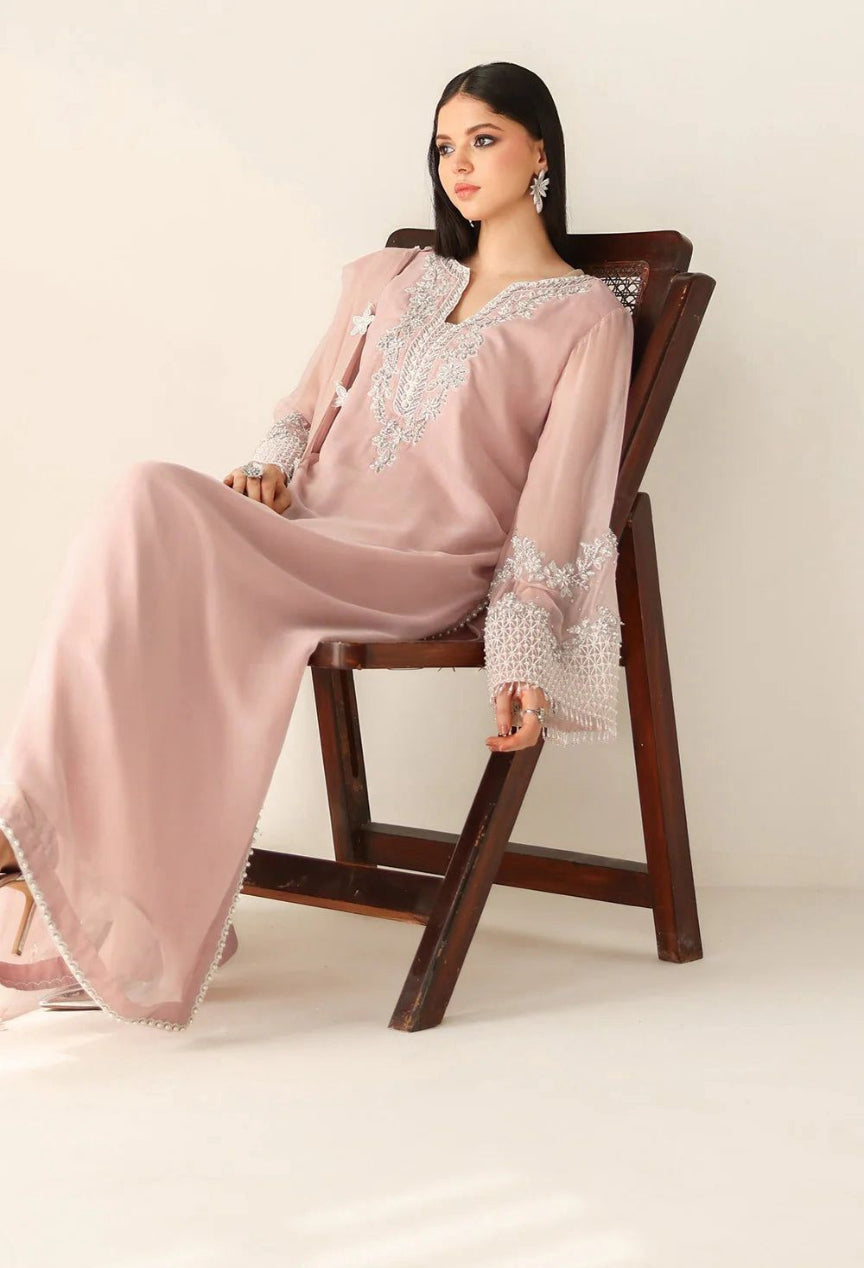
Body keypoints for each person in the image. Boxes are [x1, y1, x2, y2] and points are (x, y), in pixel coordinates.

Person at [0, 60, 633, 1030]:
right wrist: (269, 470)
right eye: (443, 145)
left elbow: (561, 499)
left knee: (149, 508)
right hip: (309, 530)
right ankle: (120, 894)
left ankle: (43, 854)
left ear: (538, 147)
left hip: (417, 566)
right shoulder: (393, 277)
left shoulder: (585, 316)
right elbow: (298, 412)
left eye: (483, 138)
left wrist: (523, 643)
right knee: (146, 518)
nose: (458, 163)